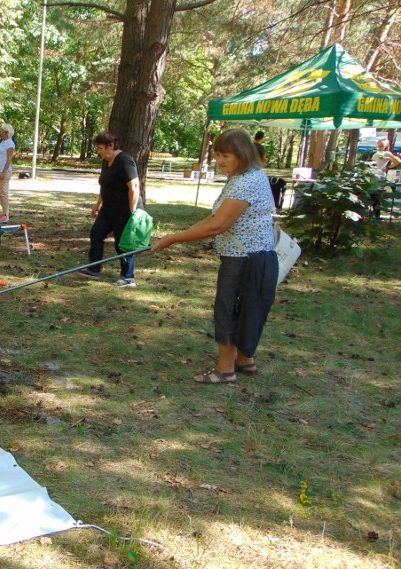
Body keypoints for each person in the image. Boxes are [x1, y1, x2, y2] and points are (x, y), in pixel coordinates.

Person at [151, 128, 277, 384]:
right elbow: (213, 218)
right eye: (217, 154)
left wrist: (174, 238)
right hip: (249, 256)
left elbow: (218, 226)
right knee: (244, 309)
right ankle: (244, 360)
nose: (219, 161)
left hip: (246, 260)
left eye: (225, 155)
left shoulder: (247, 182)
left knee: (229, 310)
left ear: (241, 154)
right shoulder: (243, 176)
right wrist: (181, 234)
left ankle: (225, 370)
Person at [76, 132, 140, 287]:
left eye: (101, 148)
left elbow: (134, 186)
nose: (100, 152)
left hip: (124, 210)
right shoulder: (107, 161)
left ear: (110, 145)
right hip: (108, 209)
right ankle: (94, 269)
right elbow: (105, 186)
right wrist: (98, 204)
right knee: (96, 234)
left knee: (122, 244)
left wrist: (132, 212)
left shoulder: (124, 161)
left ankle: (128, 277)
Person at [0, 124, 15, 223]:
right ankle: (3, 212)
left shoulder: (10, 144)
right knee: (0, 193)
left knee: (4, 193)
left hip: (4, 171)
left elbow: (9, 158)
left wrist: (4, 171)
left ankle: (6, 215)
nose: (1, 133)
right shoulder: (2, 143)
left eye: (3, 132)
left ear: (7, 133)